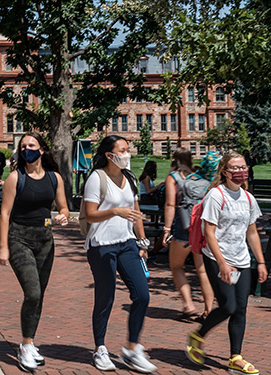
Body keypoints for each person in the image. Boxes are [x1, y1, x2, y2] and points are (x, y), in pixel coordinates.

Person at [185, 151, 267, 375]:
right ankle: (198, 335)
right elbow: (209, 232)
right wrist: (222, 263)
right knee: (228, 306)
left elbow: (251, 232)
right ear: (225, 172)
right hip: (216, 258)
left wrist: (260, 261)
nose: (241, 172)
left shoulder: (248, 198)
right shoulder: (216, 196)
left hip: (242, 259)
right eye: (235, 168)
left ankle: (235, 357)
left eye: (243, 167)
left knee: (241, 309)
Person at [83, 135, 157, 373]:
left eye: (128, 149)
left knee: (142, 295)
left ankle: (132, 348)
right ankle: (100, 348)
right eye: (122, 150)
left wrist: (142, 242)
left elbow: (136, 212)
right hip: (102, 246)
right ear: (109, 155)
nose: (127, 154)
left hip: (127, 244)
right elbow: (90, 215)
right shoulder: (97, 178)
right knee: (106, 297)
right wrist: (115, 211)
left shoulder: (131, 177)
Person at [0, 132, 70, 372]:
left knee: (39, 295)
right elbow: (5, 213)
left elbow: (64, 208)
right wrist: (4, 247)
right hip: (19, 238)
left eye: (32, 145)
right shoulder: (15, 178)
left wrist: (63, 217)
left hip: (45, 240)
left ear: (42, 150)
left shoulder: (54, 178)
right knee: (33, 292)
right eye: (23, 146)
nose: (27, 149)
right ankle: (26, 346)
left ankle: (30, 341)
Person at [163, 148, 214, 321]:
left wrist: (166, 230)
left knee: (177, 265)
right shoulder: (199, 178)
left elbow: (170, 204)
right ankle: (208, 310)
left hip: (183, 227)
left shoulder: (173, 178)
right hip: (200, 228)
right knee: (202, 270)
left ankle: (188, 304)